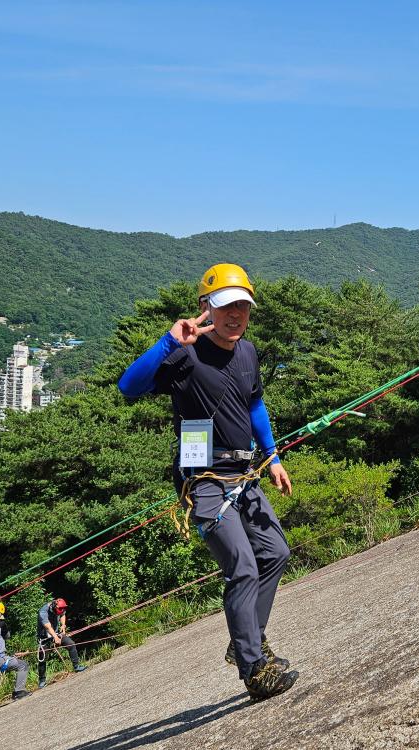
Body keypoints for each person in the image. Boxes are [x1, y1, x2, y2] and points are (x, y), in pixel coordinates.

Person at [118, 263, 298, 702]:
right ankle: (255, 669)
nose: (235, 315)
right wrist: (167, 342)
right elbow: (128, 387)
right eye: (225, 306)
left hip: (245, 472)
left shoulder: (249, 353)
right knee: (242, 566)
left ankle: (245, 643)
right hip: (204, 481)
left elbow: (255, 405)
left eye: (243, 306)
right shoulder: (185, 355)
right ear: (205, 308)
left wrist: (272, 455)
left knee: (276, 552)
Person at [35, 598, 86, 689]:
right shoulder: (43, 611)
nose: (61, 611)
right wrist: (55, 637)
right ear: (54, 607)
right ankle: (42, 681)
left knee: (71, 644)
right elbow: (47, 626)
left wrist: (63, 625)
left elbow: (63, 615)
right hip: (44, 637)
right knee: (43, 658)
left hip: (57, 634)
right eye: (59, 610)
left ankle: (76, 666)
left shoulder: (60, 608)